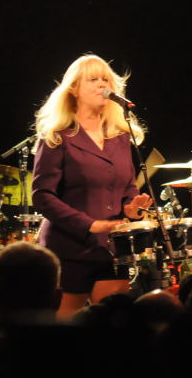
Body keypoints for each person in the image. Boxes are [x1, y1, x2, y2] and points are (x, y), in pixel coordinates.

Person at [32, 54, 153, 319]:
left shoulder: (120, 135)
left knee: (113, 325)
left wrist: (131, 208)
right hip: (69, 248)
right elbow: (42, 196)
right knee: (66, 331)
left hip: (112, 249)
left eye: (106, 80)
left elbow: (128, 187)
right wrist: (90, 225)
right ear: (74, 89)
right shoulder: (58, 135)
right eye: (93, 80)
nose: (102, 85)